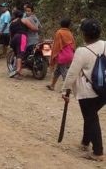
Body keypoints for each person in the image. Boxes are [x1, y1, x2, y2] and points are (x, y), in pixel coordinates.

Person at [62, 19, 105, 161]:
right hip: (103, 91)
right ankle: (85, 142)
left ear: (85, 35)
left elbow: (72, 73)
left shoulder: (82, 51)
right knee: (90, 115)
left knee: (91, 118)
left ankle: (98, 152)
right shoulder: (105, 45)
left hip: (88, 92)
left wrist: (65, 90)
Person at [46, 18, 75, 91]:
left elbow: (57, 45)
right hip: (69, 54)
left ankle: (67, 88)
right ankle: (52, 85)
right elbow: (73, 44)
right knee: (57, 71)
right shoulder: (70, 33)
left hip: (62, 55)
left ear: (61, 24)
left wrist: (53, 55)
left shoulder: (59, 32)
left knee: (64, 72)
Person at [9, 10, 38, 80]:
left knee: (17, 55)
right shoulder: (24, 20)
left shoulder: (11, 23)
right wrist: (37, 28)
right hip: (21, 37)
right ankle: (18, 71)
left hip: (13, 39)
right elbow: (34, 28)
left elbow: (10, 34)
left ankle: (16, 68)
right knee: (20, 54)